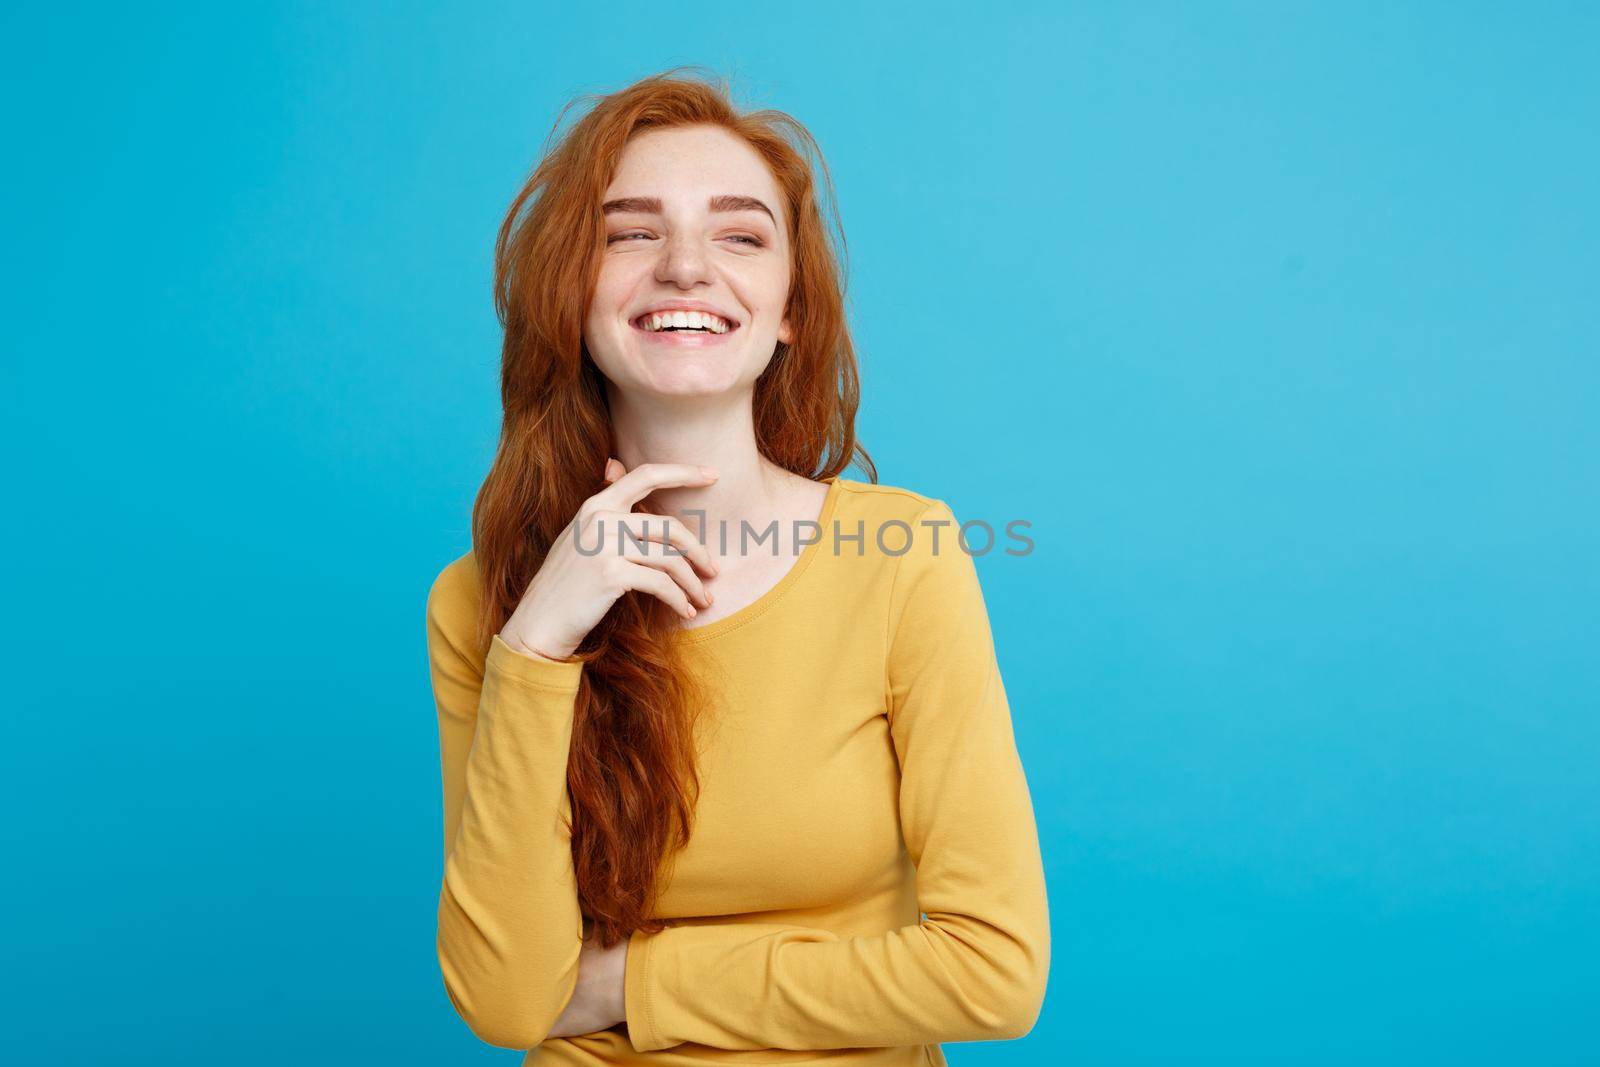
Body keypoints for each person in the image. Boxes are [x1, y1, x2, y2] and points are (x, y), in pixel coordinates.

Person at [423, 67, 1050, 1065]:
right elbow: (506, 1002)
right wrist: (538, 643)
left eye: (738, 233)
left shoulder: (900, 558)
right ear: (571, 291)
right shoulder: (482, 604)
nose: (683, 267)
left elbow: (993, 972)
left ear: (789, 307)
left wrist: (633, 983)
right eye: (630, 231)